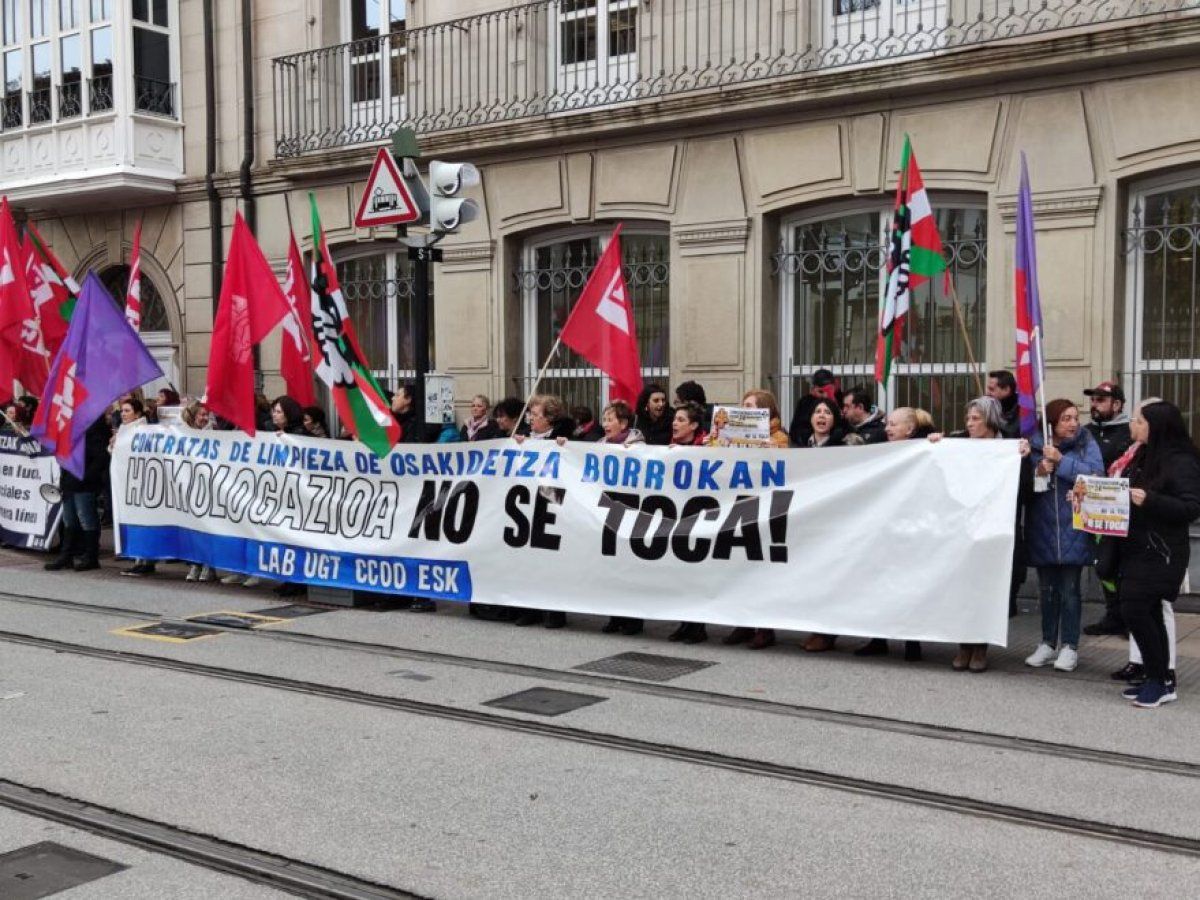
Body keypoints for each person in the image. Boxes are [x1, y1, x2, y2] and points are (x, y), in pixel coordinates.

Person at [930, 397, 1033, 672]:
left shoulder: (1010, 446)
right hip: (964, 530)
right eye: (968, 419)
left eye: (975, 419)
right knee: (963, 588)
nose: (969, 424)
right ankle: (963, 645)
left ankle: (981, 648)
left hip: (995, 531)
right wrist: (934, 443)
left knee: (987, 588)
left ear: (990, 420)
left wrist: (1024, 456)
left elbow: (1025, 488)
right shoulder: (958, 443)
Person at [1113, 401, 1200, 707]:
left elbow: (1190, 507)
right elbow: (1123, 492)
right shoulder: (1143, 455)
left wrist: (1150, 500)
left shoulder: (1181, 461)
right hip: (1138, 546)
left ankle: (1159, 679)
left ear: (1157, 426)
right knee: (1142, 611)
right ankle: (1159, 678)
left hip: (1163, 551)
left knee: (1137, 609)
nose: (1132, 426)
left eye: (1139, 421)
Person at [1023, 399, 1104, 672]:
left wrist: (1062, 462)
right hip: (1043, 528)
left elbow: (1096, 474)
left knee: (1070, 591)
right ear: (1052, 424)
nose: (1073, 424)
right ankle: (1047, 643)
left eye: (1075, 417)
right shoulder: (1034, 445)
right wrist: (1038, 471)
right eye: (1065, 419)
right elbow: (1025, 487)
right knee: (1046, 591)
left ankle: (1070, 646)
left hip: (1074, 529)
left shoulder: (1084, 442)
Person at [853, 407, 936, 661]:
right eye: (887, 423)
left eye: (893, 424)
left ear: (909, 429)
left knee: (909, 586)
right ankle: (878, 638)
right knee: (880, 584)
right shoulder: (881, 451)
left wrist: (936, 442)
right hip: (884, 529)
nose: (887, 428)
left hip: (910, 530)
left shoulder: (924, 450)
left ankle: (913, 642)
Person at [721, 389, 790, 649]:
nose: (745, 410)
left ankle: (765, 627)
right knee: (740, 566)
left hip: (765, 509)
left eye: (750, 406)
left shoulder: (779, 437)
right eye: (743, 405)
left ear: (765, 410)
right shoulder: (731, 434)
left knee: (761, 568)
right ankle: (744, 623)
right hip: (740, 505)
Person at [800, 397, 862, 653]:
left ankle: (827, 631)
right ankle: (819, 628)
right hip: (815, 521)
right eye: (817, 412)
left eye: (827, 412)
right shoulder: (805, 446)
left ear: (835, 418)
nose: (822, 416)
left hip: (841, 519)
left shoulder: (850, 442)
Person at [511, 394, 574, 628]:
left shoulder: (563, 439)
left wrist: (566, 444)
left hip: (553, 504)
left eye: (536, 415)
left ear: (549, 419)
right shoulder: (526, 439)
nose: (531, 419)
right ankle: (530, 608)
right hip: (528, 504)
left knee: (552, 560)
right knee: (528, 559)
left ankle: (555, 611)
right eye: (531, 415)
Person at [1081, 381, 1133, 636]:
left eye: (1101, 400)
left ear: (1117, 404)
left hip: (1121, 512)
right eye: (1093, 399)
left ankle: (1128, 617)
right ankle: (1113, 614)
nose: (1094, 404)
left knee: (1120, 564)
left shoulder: (1130, 431)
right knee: (1103, 565)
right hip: (1092, 510)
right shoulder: (1085, 431)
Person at [598, 400, 647, 636]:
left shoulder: (639, 446)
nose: (605, 424)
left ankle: (633, 618)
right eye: (604, 419)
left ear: (624, 423)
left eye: (610, 419)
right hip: (608, 513)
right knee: (610, 566)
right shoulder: (598, 446)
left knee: (630, 567)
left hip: (630, 512)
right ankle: (614, 615)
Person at [666, 402, 711, 644]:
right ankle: (684, 623)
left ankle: (698, 626)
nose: (675, 423)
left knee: (696, 572)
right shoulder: (671, 447)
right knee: (680, 573)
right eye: (675, 419)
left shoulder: (705, 446)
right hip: (678, 516)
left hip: (700, 516)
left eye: (681, 420)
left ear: (694, 425)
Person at [44, 417, 110, 573]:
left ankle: (91, 556)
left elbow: (101, 456)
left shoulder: (94, 423)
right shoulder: (70, 424)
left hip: (84, 479)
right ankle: (66, 555)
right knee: (69, 519)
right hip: (69, 479)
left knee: (86, 518)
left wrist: (87, 476)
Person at [113, 399, 157, 578]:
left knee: (143, 521)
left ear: (137, 414)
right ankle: (139, 559)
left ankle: (146, 560)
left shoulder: (144, 430)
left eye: (127, 411)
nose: (123, 414)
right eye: (122, 411)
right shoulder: (123, 430)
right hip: (126, 483)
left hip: (142, 484)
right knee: (132, 521)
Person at [788, 368, 840, 447]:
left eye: (828, 391)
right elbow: (796, 431)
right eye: (821, 392)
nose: (825, 395)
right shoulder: (805, 403)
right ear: (813, 390)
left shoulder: (837, 401)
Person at [986, 370, 1022, 439]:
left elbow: (1011, 434)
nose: (987, 393)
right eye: (988, 388)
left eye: (991, 389)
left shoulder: (1022, 410)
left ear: (1006, 390)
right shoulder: (989, 405)